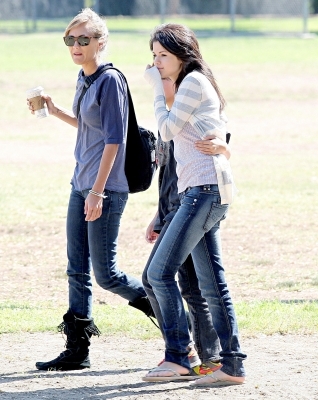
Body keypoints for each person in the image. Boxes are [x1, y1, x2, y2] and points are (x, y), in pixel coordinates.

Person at [27, 8, 155, 371]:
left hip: (106, 188)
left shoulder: (110, 80)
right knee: (75, 269)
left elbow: (114, 140)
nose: (77, 46)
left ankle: (168, 311)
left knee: (107, 274)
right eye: (71, 40)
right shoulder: (84, 79)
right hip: (79, 184)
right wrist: (54, 111)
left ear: (101, 42)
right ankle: (77, 350)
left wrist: (98, 192)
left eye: (84, 40)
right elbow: (88, 128)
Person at [143, 23, 246, 385]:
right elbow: (211, 123)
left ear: (183, 55)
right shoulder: (193, 83)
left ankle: (179, 356)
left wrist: (157, 89)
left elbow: (167, 130)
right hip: (199, 191)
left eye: (163, 56)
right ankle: (230, 364)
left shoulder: (192, 81)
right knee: (210, 283)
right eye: (153, 56)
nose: (156, 63)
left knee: (157, 274)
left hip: (204, 191)